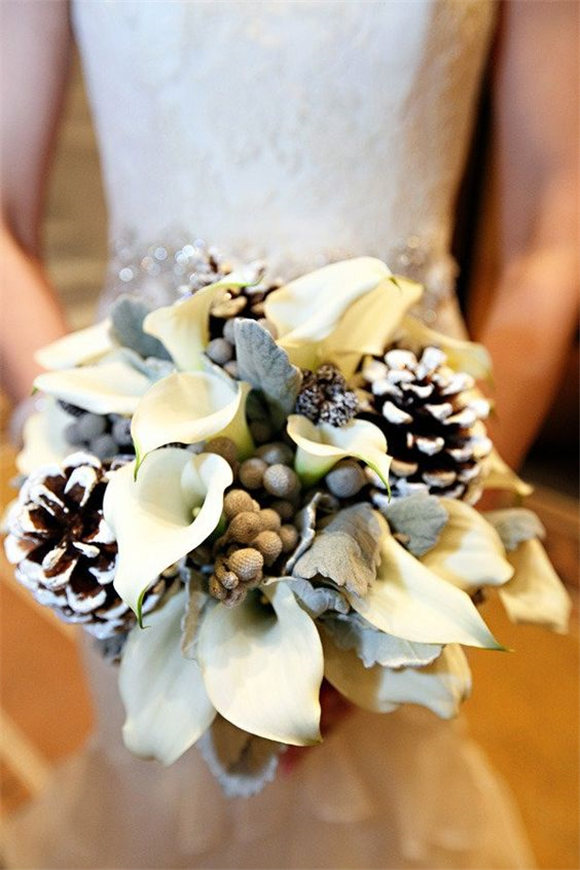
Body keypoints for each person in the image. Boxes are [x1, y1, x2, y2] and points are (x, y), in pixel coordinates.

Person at [0, 1, 577, 867]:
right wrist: (93, 452)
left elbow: (549, 240)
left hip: (405, 462)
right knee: (159, 799)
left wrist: (440, 517)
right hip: (141, 462)